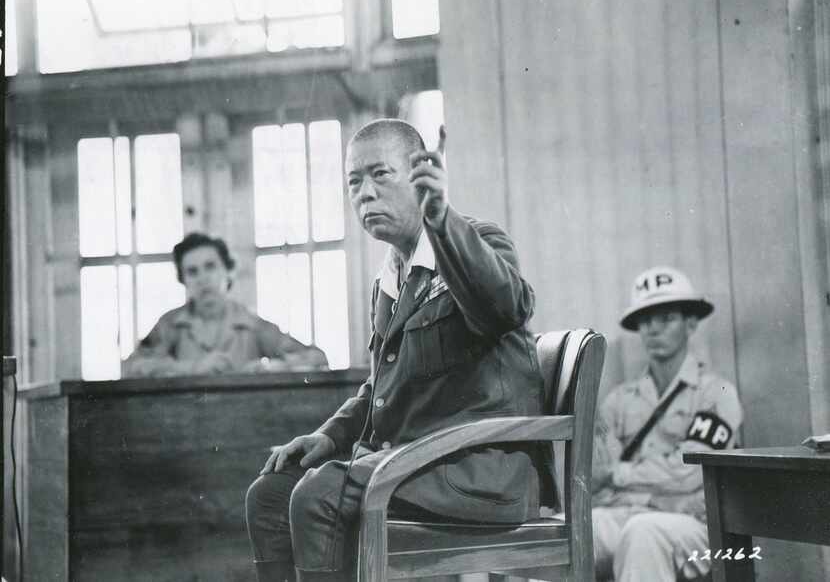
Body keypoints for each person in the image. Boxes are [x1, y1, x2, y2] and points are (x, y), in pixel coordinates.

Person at [245, 119, 547, 581]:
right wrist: (329, 436)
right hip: (416, 469)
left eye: (380, 174)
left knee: (320, 492)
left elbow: (507, 308)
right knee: (269, 493)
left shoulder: (479, 241)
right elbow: (380, 387)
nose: (365, 193)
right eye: (354, 181)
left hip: (478, 474)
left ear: (420, 175)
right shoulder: (390, 280)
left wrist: (442, 221)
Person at [592, 266, 743, 582]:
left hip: (700, 527)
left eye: (666, 318)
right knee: (573, 529)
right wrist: (649, 497)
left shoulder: (716, 393)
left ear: (690, 323)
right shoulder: (618, 401)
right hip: (633, 513)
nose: (653, 329)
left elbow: (690, 472)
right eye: (645, 320)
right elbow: (596, 481)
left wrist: (622, 475)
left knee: (643, 533)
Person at [122, 232, 328, 377]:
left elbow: (317, 358)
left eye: (210, 267)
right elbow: (129, 367)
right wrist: (192, 368)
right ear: (183, 280)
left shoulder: (251, 324)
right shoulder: (170, 324)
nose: (202, 279)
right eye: (192, 272)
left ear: (227, 270)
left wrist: (272, 367)